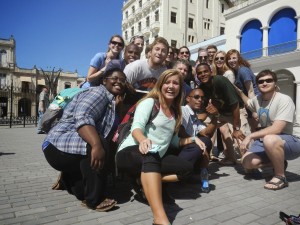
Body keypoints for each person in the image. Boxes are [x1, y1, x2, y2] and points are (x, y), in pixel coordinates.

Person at [116, 69, 197, 225]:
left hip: (153, 156)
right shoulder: (149, 103)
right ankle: (160, 218)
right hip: (130, 152)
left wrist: (193, 140)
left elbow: (172, 142)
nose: (171, 86)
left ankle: (145, 180)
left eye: (175, 83)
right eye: (167, 82)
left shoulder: (175, 113)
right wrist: (143, 139)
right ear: (160, 85)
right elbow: (137, 128)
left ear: (180, 88)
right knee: (150, 156)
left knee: (186, 168)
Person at [42, 67, 128, 211]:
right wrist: (96, 145)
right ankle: (95, 201)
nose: (119, 82)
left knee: (82, 192)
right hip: (58, 144)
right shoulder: (98, 92)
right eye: (114, 78)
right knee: (99, 143)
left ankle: (68, 179)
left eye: (122, 80)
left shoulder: (110, 101)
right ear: (104, 81)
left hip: (60, 148)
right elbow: (83, 116)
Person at [236, 69, 300, 190]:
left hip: (292, 141)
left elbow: (277, 129)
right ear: (257, 85)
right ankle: (279, 162)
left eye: (269, 80)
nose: (264, 83)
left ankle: (280, 176)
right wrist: (239, 92)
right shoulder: (258, 99)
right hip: (266, 141)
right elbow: (249, 102)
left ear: (275, 83)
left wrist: (250, 136)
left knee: (270, 138)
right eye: (261, 81)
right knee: (247, 162)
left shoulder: (284, 99)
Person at [196, 63, 251, 164]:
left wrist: (236, 128)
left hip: (236, 111)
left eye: (205, 71)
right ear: (197, 76)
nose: (203, 74)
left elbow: (235, 104)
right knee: (205, 129)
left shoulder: (220, 80)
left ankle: (250, 162)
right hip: (220, 113)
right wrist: (195, 124)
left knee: (241, 136)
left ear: (211, 72)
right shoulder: (202, 88)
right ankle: (229, 157)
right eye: (199, 73)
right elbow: (203, 114)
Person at [226, 49, 260, 131]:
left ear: (239, 59)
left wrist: (254, 111)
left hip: (254, 103)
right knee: (253, 131)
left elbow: (251, 91)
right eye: (229, 59)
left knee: (257, 130)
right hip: (248, 104)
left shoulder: (243, 71)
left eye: (234, 58)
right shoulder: (236, 72)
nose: (231, 61)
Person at [211, 50, 235, 162]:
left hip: (230, 109)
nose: (219, 60)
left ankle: (243, 159)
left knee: (234, 132)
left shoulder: (228, 73)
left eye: (221, 58)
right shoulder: (217, 74)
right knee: (224, 131)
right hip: (221, 109)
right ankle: (230, 157)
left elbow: (229, 93)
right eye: (217, 58)